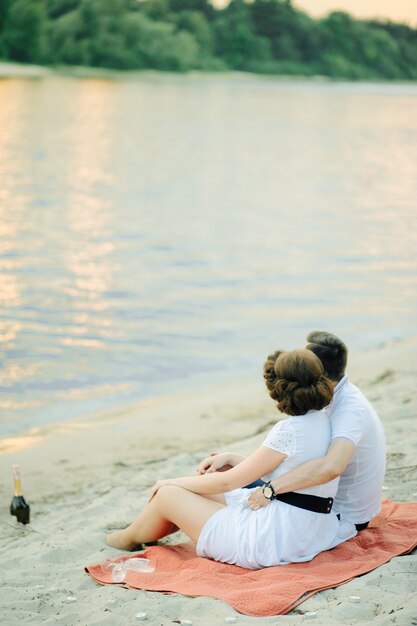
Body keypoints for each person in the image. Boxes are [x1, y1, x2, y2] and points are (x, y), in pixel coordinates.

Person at [106, 349, 356, 569]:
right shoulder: (325, 419)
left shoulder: (289, 429)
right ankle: (147, 529)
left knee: (169, 495)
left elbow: (228, 483)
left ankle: (126, 539)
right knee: (200, 487)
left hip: (275, 539)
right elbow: (290, 466)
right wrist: (234, 458)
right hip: (310, 527)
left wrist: (170, 482)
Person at [244, 332, 386, 531]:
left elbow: (332, 467)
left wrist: (271, 489)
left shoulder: (349, 409)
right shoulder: (338, 395)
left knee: (231, 488)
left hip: (343, 515)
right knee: (235, 478)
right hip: (326, 500)